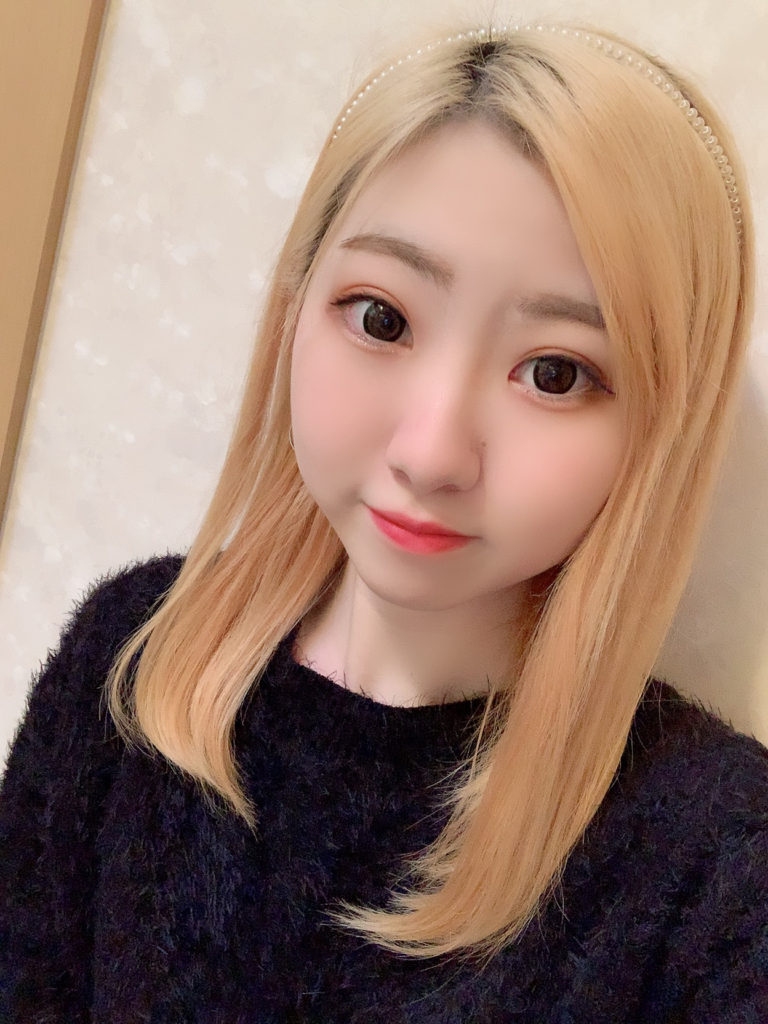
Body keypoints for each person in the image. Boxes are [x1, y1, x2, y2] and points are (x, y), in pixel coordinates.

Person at [1, 19, 765, 1023]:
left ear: (661, 427)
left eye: (555, 373)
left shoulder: (720, 866)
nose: (432, 453)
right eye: (382, 318)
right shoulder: (134, 655)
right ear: (293, 307)